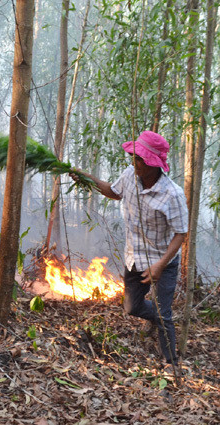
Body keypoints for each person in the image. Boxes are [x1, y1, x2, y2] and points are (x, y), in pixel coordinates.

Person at [73, 130, 188, 366]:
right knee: (131, 307)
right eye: (133, 157)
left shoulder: (172, 194)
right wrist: (87, 178)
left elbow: (181, 233)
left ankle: (171, 363)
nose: (134, 162)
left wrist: (160, 265)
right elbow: (113, 192)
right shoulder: (129, 175)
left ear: (153, 164)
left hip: (163, 261)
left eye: (139, 159)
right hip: (134, 258)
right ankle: (161, 318)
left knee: (164, 315)